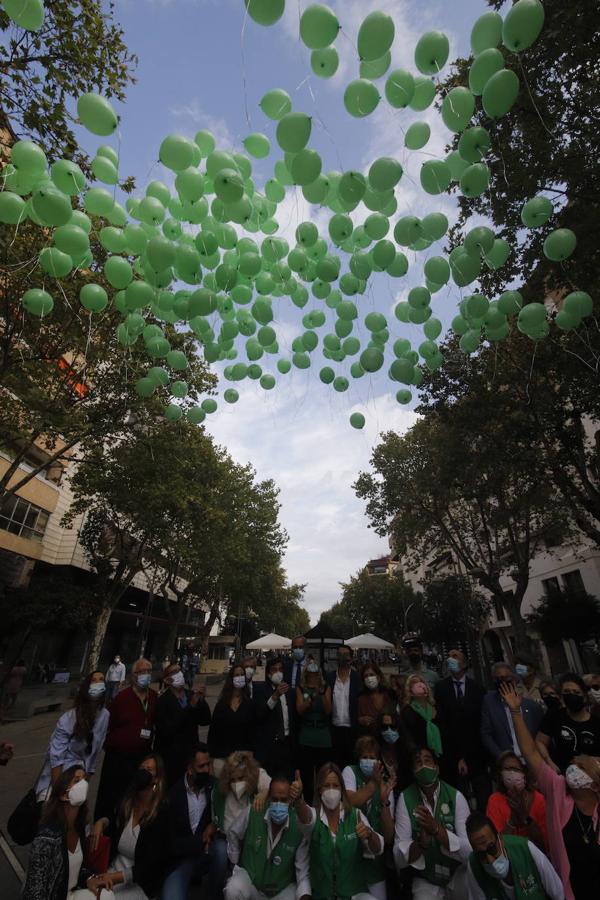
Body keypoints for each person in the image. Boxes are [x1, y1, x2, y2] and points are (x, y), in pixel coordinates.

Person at [501, 681, 600, 899]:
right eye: (572, 764)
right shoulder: (559, 793)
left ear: (594, 783)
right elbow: (531, 753)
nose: (573, 768)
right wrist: (516, 711)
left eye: (581, 766)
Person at [22, 765, 115, 900]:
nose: (83, 783)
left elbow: (75, 869)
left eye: (84, 779)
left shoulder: (80, 827)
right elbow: (34, 889)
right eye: (77, 780)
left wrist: (89, 878)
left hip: (70, 894)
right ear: (64, 794)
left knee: (107, 895)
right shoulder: (47, 838)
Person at [394, 747, 471, 899]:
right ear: (413, 771)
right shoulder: (405, 798)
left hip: (457, 874)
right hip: (426, 878)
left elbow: (470, 852)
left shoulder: (456, 797)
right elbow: (398, 856)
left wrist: (436, 829)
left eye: (427, 761)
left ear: (437, 768)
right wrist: (421, 844)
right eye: (418, 762)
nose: (423, 765)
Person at [91, 754, 170, 899]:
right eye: (142, 768)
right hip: (112, 871)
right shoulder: (127, 802)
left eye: (149, 770)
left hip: (138, 883)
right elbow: (113, 817)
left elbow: (151, 866)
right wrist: (101, 822)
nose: (143, 771)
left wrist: (115, 877)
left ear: (156, 779)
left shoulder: (161, 815)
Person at [225, 772, 313, 900]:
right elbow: (233, 832)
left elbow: (302, 872)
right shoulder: (253, 812)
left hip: (281, 890)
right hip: (252, 884)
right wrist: (234, 861)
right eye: (275, 799)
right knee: (233, 889)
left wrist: (305, 895)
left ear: (290, 800)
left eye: (283, 800)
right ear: (268, 798)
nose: (278, 804)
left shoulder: (299, 826)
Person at [309, 761, 384, 900]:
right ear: (319, 789)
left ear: (342, 790)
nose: (331, 790)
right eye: (326, 786)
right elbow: (304, 817)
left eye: (336, 786)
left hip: (353, 894)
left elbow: (378, 848)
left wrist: (370, 834)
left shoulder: (355, 815)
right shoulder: (313, 817)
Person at [95, 659, 157, 821]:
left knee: (134, 798)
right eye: (141, 672)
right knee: (111, 797)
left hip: (141, 758)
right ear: (133, 675)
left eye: (148, 671)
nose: (145, 675)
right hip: (118, 758)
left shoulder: (154, 697)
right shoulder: (121, 698)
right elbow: (106, 724)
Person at [36, 671, 110, 802]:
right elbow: (56, 758)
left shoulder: (104, 715)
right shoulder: (69, 718)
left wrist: (84, 783)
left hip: (79, 778)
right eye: (94, 680)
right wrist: (59, 791)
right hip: (59, 776)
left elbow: (95, 753)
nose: (98, 683)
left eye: (101, 680)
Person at [435, 649, 489, 811]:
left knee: (483, 802)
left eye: (455, 656)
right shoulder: (441, 688)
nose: (450, 659)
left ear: (464, 664)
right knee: (459, 803)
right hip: (452, 757)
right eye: (449, 656)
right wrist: (457, 757)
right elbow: (443, 725)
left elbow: (481, 724)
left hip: (477, 757)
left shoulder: (478, 689)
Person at [343, 736, 397, 899]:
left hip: (375, 863)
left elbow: (388, 837)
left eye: (372, 757)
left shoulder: (386, 785)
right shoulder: (349, 771)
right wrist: (373, 784)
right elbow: (350, 802)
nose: (368, 761)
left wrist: (384, 802)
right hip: (350, 857)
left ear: (378, 760)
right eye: (364, 757)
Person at [211, 751, 272, 898]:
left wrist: (264, 794)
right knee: (219, 853)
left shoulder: (257, 779)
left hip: (249, 839)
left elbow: (273, 785)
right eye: (233, 779)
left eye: (241, 778)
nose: (237, 783)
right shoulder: (220, 791)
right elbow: (215, 818)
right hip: (224, 838)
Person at [161, 743, 217, 900]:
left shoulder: (213, 786)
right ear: (190, 769)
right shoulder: (172, 796)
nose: (206, 770)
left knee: (220, 850)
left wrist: (214, 825)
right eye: (201, 766)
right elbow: (171, 845)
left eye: (208, 765)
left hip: (206, 854)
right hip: (180, 860)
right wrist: (200, 841)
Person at [465, 812, 563, 900]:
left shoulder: (525, 849)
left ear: (500, 840)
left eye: (492, 849)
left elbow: (558, 894)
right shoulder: (474, 866)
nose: (490, 860)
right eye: (481, 855)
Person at [155, 662, 212, 787]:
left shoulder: (190, 695)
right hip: (172, 757)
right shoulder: (163, 702)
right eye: (174, 672)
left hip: (191, 753)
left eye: (179, 670)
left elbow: (205, 720)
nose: (179, 674)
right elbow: (167, 730)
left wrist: (202, 701)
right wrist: (189, 707)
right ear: (167, 680)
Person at [536, 672, 600, 773]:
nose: (571, 695)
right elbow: (541, 741)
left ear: (584, 696)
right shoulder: (554, 716)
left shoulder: (596, 723)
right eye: (567, 692)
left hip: (592, 778)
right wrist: (549, 762)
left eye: (576, 692)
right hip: (562, 775)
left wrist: (588, 761)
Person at [485, 751, 548, 852]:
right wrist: (511, 822)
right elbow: (496, 846)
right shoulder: (495, 800)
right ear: (501, 775)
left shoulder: (539, 799)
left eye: (515, 769)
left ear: (524, 773)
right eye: (507, 769)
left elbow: (545, 845)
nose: (511, 773)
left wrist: (525, 817)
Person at [480, 663, 543, 762]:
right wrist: (502, 757)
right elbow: (486, 734)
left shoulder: (532, 706)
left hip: (532, 761)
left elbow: (540, 737)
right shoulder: (489, 702)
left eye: (505, 678)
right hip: (506, 761)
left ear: (514, 679)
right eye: (498, 679)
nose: (502, 682)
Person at [296, 655, 332, 803]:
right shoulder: (300, 688)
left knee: (323, 774)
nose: (313, 677)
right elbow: (299, 710)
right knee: (306, 775)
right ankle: (309, 804)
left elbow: (328, 710)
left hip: (323, 735)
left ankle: (325, 803)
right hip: (306, 735)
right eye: (310, 674)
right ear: (306, 674)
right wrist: (310, 698)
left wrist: (321, 693)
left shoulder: (326, 687)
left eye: (316, 674)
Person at [208, 665, 255, 776]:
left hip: (242, 759)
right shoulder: (222, 704)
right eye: (236, 675)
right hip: (222, 758)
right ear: (231, 678)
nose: (239, 677)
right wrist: (210, 758)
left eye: (242, 675)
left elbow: (253, 732)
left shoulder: (249, 704)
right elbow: (214, 731)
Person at [254, 657, 294, 778]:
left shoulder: (290, 691)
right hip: (270, 745)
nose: (278, 673)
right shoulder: (261, 690)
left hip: (287, 743)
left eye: (280, 669)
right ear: (268, 673)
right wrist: (275, 696)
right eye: (274, 670)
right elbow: (260, 715)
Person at [326, 645, 361, 770]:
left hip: (352, 730)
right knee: (334, 766)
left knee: (351, 766)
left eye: (346, 655)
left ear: (351, 658)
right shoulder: (329, 678)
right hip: (334, 730)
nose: (342, 658)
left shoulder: (358, 678)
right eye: (340, 655)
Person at [401, 675, 443, 759]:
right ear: (410, 691)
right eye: (415, 683)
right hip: (420, 756)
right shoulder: (407, 711)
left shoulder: (435, 707)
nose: (420, 685)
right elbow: (407, 735)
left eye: (421, 682)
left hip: (439, 755)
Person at [377, 710, 415, 792]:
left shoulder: (409, 752)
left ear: (399, 728)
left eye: (393, 727)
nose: (389, 730)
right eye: (384, 727)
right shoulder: (375, 752)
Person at [358, 662, 395, 738]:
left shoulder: (389, 695)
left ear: (378, 677)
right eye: (366, 676)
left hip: (389, 740)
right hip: (370, 741)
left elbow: (396, 718)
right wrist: (361, 720)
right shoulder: (361, 699)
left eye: (371, 675)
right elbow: (358, 720)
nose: (369, 678)